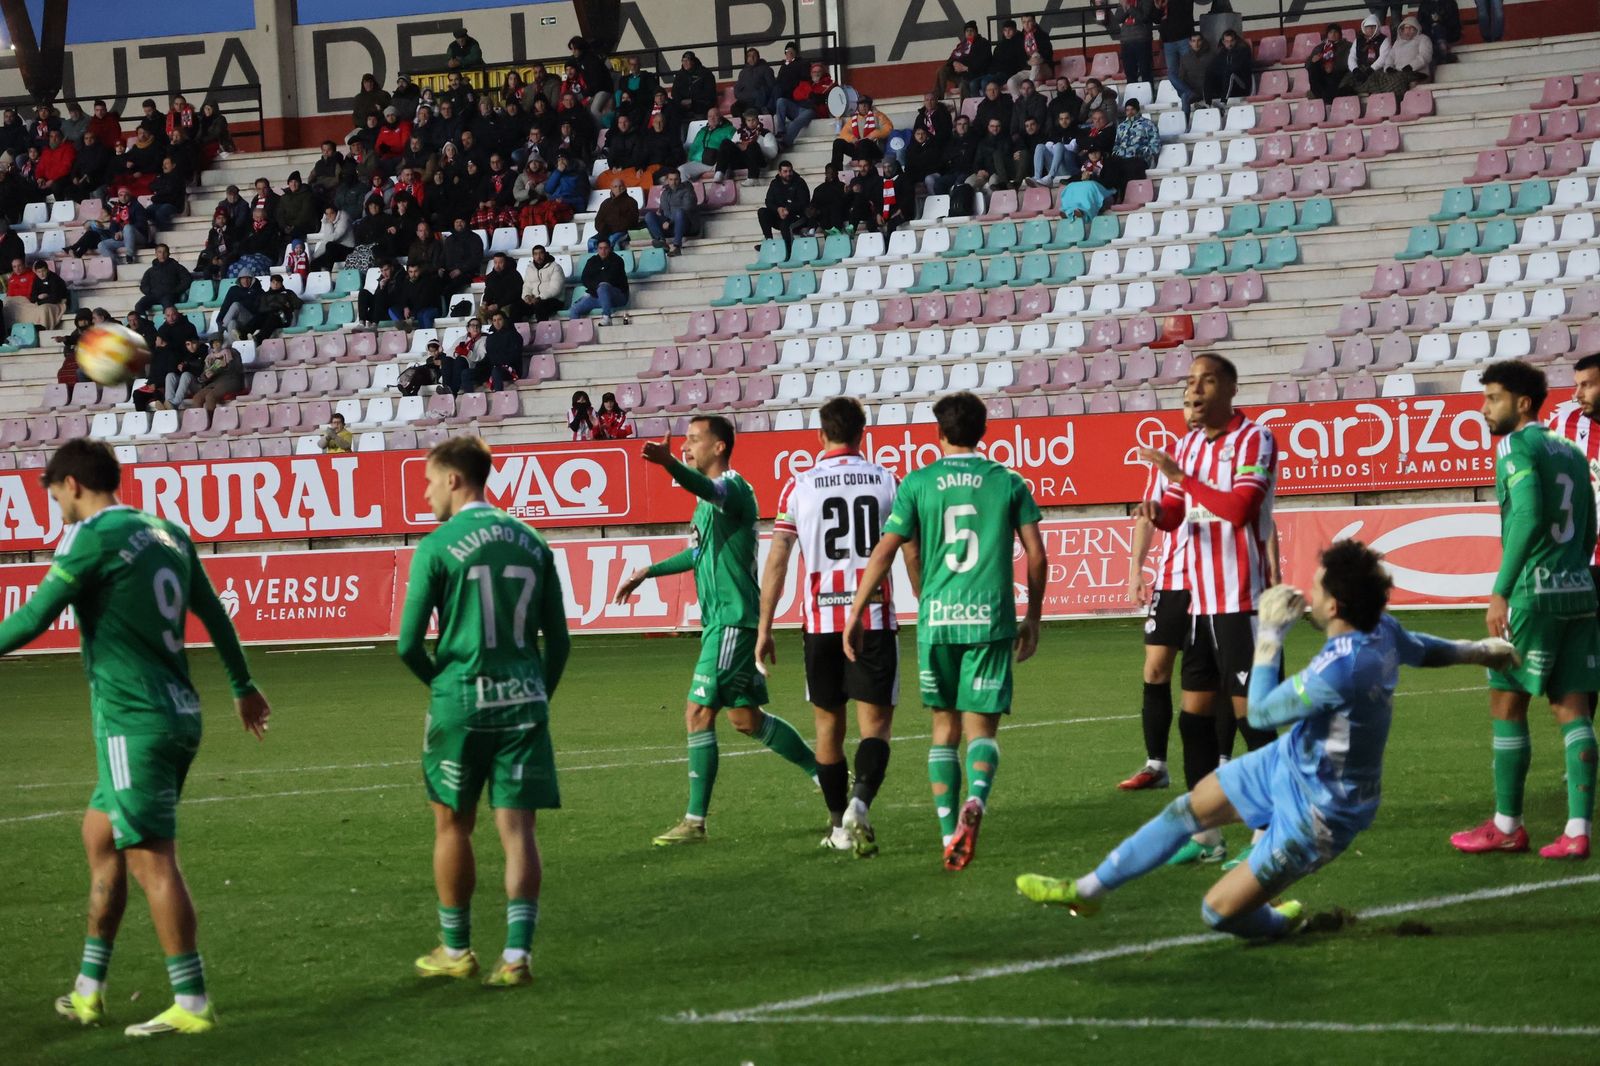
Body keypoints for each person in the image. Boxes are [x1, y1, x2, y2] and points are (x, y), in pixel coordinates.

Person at [1017, 541, 1518, 934]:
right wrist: (1480, 651)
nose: (1310, 593)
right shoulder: (1380, 631)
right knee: (1185, 811)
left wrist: (1270, 635)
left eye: (1318, 588)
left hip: (1321, 812)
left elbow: (1258, 712)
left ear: (1335, 604)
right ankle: (1088, 889)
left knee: (1218, 912)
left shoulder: (1342, 668)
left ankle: (1281, 921)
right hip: (1289, 762)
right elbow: (1424, 649)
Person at [0, 439, 269, 1036]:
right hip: (178, 713)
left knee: (151, 861)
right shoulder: (168, 533)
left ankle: (191, 1001)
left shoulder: (94, 538)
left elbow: (33, 617)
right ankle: (88, 990)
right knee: (101, 834)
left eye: (53, 493)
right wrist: (243, 684)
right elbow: (216, 614)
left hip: (133, 721)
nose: (54, 505)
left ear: (72, 485)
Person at [843, 391, 1046, 871]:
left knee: (943, 729)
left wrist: (855, 610)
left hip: (938, 619)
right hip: (990, 617)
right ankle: (975, 800)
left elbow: (887, 550)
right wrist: (1034, 616)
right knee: (982, 728)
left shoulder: (918, 483)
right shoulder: (1007, 481)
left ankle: (947, 831)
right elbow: (1036, 555)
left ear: (938, 434)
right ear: (984, 431)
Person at [396, 436, 569, 988]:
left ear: (454, 479)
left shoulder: (438, 545)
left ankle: (457, 948)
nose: (424, 495)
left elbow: (405, 645)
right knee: (518, 831)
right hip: (524, 699)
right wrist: (539, 692)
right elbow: (559, 643)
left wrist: (441, 686)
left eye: (428, 481)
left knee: (453, 823)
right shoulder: (532, 540)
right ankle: (517, 955)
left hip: (462, 700)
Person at [612, 419, 821, 846]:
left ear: (719, 446)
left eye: (694, 440)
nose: (687, 446)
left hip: (731, 621)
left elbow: (711, 490)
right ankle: (826, 773)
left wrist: (669, 464)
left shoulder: (733, 488)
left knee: (696, 712)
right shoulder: (707, 504)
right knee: (746, 719)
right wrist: (648, 571)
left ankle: (695, 822)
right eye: (685, 441)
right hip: (727, 623)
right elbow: (697, 551)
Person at [1448, 361, 1599, 860]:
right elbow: (1591, 522)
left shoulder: (1516, 445)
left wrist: (1501, 591)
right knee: (1574, 710)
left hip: (1534, 595)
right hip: (1580, 591)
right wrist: (1574, 569)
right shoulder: (1573, 450)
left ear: (1523, 403)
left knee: (1506, 703)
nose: (1485, 407)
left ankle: (1507, 824)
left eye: (1493, 398)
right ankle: (1578, 830)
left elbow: (1531, 513)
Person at [1136, 353, 1280, 866]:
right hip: (1200, 603)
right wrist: (1159, 510)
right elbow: (1178, 511)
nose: (1194, 390)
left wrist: (1181, 477)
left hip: (1244, 605)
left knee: (1253, 721)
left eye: (1207, 381)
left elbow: (1240, 509)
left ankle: (1270, 831)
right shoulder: (1190, 444)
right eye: (1190, 382)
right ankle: (1206, 835)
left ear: (1231, 390)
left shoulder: (1254, 439)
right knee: (1194, 720)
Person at [757, 397, 905, 856]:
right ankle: (860, 802)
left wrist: (764, 626)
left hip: (820, 622)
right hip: (874, 619)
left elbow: (779, 559)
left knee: (828, 729)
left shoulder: (798, 487)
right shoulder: (887, 482)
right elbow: (911, 551)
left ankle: (838, 826)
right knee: (875, 728)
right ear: (862, 433)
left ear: (820, 436)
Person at [1119, 402, 1201, 790]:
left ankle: (1217, 764)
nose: (1191, 408)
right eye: (1185, 402)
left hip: (1213, 584)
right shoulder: (1170, 461)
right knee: (1154, 669)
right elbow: (1149, 517)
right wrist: (1136, 569)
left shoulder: (1229, 456)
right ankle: (1156, 765)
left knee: (1206, 680)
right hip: (1171, 582)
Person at [568, 238, 628, 324]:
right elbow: (585, 279)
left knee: (603, 286)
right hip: (597, 295)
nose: (603, 251)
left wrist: (597, 283)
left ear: (610, 248)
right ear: (597, 249)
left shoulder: (617, 260)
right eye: (600, 248)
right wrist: (596, 286)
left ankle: (607, 317)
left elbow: (610, 279)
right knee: (574, 309)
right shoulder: (592, 261)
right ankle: (576, 334)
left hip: (618, 296)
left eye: (605, 248)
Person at [777, 61, 835, 150]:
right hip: (799, 108)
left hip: (813, 111)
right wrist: (809, 95)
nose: (816, 74)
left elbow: (834, 100)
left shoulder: (830, 84)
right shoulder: (805, 83)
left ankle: (784, 143)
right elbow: (796, 94)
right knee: (781, 101)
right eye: (814, 72)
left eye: (818, 72)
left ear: (823, 72)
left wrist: (822, 99)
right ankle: (780, 131)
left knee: (796, 122)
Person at [758, 160, 809, 258]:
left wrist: (788, 209)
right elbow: (768, 201)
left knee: (785, 224)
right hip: (779, 215)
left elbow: (804, 202)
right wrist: (778, 209)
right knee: (762, 212)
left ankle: (789, 251)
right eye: (785, 171)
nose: (788, 174)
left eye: (790, 171)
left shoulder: (799, 182)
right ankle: (769, 241)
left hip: (797, 217)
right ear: (779, 172)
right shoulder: (774, 183)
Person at [643, 170, 699, 256]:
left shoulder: (688, 191)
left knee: (680, 212)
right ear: (667, 180)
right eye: (671, 179)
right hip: (669, 227)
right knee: (649, 215)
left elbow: (688, 208)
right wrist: (664, 218)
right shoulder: (665, 193)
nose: (673, 182)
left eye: (676, 179)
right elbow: (662, 210)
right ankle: (661, 241)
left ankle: (676, 247)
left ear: (680, 179)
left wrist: (669, 221)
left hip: (685, 225)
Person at [932, 21, 992, 99]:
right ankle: (938, 98)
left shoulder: (983, 43)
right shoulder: (962, 45)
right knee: (942, 70)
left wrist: (965, 68)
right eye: (967, 31)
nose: (969, 33)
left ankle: (965, 108)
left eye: (971, 30)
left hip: (973, 75)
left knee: (963, 84)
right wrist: (954, 63)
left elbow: (982, 63)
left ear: (976, 32)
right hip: (959, 75)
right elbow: (951, 59)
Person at [1107, 0, 1156, 89]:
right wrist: (1124, 7)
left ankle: (1150, 96)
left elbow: (1143, 17)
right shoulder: (1124, 1)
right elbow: (1118, 18)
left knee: (1146, 72)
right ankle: (1132, 98)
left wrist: (1129, 7)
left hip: (1142, 39)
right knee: (1130, 73)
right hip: (1126, 41)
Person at [718, 110, 775, 187]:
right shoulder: (739, 133)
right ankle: (719, 172)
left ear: (758, 120)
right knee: (726, 142)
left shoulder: (765, 133)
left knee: (752, 145)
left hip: (758, 161)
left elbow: (773, 153)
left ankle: (753, 178)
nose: (751, 122)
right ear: (746, 121)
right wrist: (741, 145)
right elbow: (731, 146)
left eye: (753, 120)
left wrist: (752, 145)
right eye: (749, 120)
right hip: (742, 161)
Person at [134, 245, 192, 316]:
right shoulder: (150, 271)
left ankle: (167, 325)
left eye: (165, 252)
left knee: (168, 309)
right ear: (156, 254)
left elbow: (187, 279)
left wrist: (176, 291)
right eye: (159, 252)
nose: (162, 255)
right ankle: (143, 324)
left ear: (169, 254)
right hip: (153, 295)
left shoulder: (176, 267)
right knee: (139, 306)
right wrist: (149, 291)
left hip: (169, 296)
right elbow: (143, 285)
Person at [189, 339, 243, 413]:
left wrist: (227, 365)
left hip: (232, 380)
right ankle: (199, 421)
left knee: (210, 397)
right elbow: (202, 377)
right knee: (197, 398)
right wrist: (206, 376)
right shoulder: (210, 357)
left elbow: (238, 369)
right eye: (213, 344)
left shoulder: (232, 352)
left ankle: (212, 420)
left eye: (218, 342)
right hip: (215, 382)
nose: (216, 345)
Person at [1304, 24, 1352, 106]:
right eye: (1330, 32)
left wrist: (1333, 66)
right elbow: (1308, 64)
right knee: (1314, 66)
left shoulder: (1347, 46)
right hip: (1322, 76)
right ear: (1327, 34)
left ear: (1340, 34)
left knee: (1333, 80)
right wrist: (1312, 61)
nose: (1333, 34)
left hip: (1339, 73)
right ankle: (1321, 95)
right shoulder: (1320, 47)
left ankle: (1326, 98)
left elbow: (1348, 62)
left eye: (1335, 32)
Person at [1205, 29, 1255, 104]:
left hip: (1242, 85)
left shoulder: (1243, 50)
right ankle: (1208, 103)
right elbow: (1213, 67)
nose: (1229, 44)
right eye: (1227, 41)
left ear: (1236, 40)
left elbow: (1236, 68)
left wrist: (1223, 70)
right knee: (1209, 72)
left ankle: (1223, 102)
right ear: (1223, 42)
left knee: (1230, 73)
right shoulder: (1222, 52)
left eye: (1232, 41)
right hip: (1227, 84)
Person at [589, 180, 640, 251]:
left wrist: (613, 229)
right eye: (615, 187)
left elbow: (631, 221)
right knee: (591, 242)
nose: (618, 189)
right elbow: (598, 220)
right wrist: (603, 229)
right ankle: (596, 261)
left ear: (625, 187)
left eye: (621, 186)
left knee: (611, 241)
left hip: (623, 232)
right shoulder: (605, 203)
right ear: (611, 188)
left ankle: (611, 260)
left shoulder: (631, 202)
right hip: (605, 232)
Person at [1112, 98, 1161, 171]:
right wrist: (1117, 153)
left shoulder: (1148, 124)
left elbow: (1155, 145)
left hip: (1140, 159)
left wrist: (1143, 152)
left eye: (1132, 109)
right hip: (1122, 159)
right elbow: (1117, 144)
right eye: (1127, 110)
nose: (1130, 112)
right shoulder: (1121, 126)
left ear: (1137, 110)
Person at [522, 245, 566, 321]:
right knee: (516, 306)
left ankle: (541, 331)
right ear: (533, 256)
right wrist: (527, 296)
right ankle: (515, 332)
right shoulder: (530, 268)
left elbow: (555, 289)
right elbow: (527, 286)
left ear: (545, 254)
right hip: (535, 300)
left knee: (540, 306)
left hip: (554, 300)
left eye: (541, 253)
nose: (538, 257)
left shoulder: (555, 267)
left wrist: (539, 298)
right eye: (535, 254)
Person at [735, 48, 776, 113]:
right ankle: (744, 123)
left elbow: (771, 87)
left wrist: (758, 94)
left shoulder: (766, 69)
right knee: (735, 109)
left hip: (759, 101)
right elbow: (737, 92)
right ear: (747, 59)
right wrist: (748, 96)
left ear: (758, 58)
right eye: (749, 56)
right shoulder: (742, 73)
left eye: (754, 55)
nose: (752, 57)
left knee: (754, 110)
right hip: (746, 100)